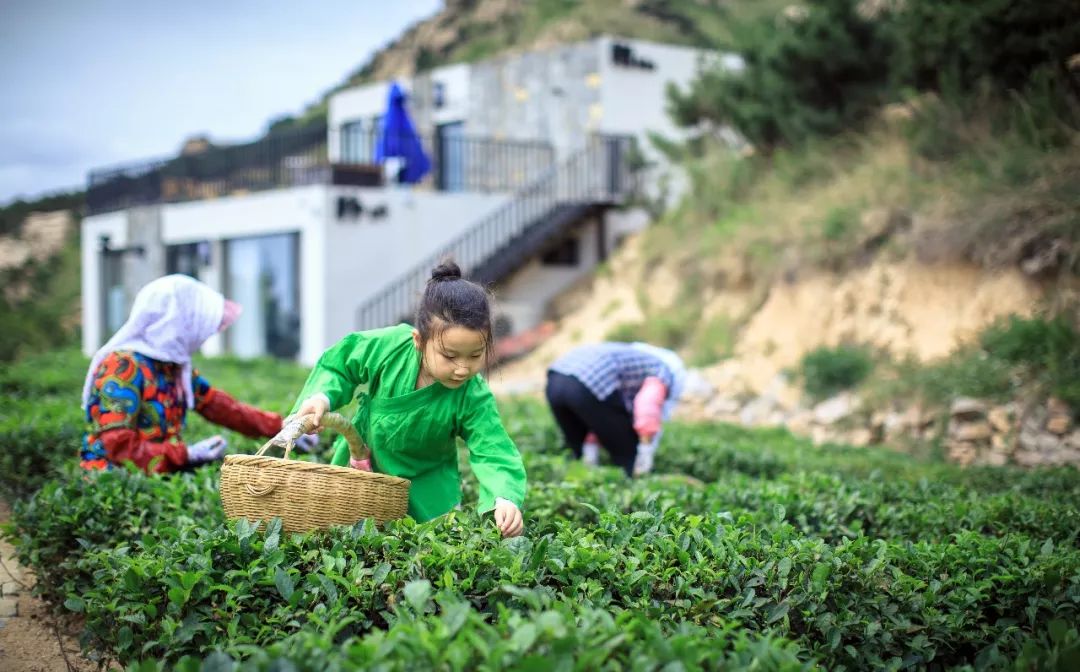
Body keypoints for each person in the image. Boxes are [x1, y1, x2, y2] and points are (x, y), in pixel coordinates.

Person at [290, 261, 527, 538]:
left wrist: (504, 497)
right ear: (419, 341)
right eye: (450, 356)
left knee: (428, 549)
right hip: (363, 470)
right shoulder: (389, 347)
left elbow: (492, 447)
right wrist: (322, 397)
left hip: (428, 490)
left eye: (476, 355)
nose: (463, 368)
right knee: (346, 539)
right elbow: (340, 365)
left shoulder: (472, 393)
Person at [80, 274, 314, 473]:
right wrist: (184, 455)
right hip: (116, 481)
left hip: (163, 477)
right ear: (176, 324)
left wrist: (281, 428)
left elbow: (221, 407)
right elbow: (117, 446)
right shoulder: (122, 368)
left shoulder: (172, 367)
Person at [545, 341, 687, 477]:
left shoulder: (629, 357)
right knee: (628, 453)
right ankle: (633, 479)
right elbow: (647, 407)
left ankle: (584, 471)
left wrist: (591, 444)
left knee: (579, 450)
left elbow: (600, 411)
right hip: (585, 384)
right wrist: (645, 449)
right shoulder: (662, 371)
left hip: (555, 379)